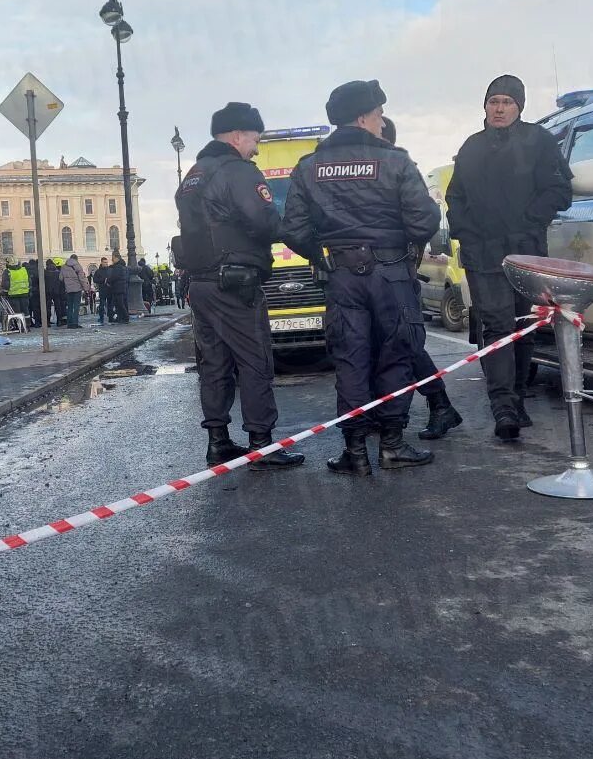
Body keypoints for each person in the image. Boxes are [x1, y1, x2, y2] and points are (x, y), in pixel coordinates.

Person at [283, 80, 438, 476]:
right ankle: (392, 444)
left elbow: (295, 229)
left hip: (341, 276)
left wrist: (323, 255)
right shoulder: (396, 161)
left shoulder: (308, 167)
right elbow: (424, 220)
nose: (382, 120)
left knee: (350, 360)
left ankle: (354, 450)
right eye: (379, 114)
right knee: (396, 356)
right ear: (363, 116)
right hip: (390, 274)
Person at [175, 101, 304, 470]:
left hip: (200, 284)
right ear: (236, 135)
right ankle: (261, 444)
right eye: (254, 138)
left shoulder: (194, 175)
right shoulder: (238, 171)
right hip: (235, 282)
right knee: (254, 360)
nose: (257, 146)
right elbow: (263, 220)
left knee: (214, 364)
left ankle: (218, 442)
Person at [446, 75, 573, 441]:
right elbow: (455, 198)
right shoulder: (471, 147)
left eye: (506, 102)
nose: (499, 108)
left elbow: (558, 190)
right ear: (484, 106)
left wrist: (529, 222)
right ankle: (502, 406)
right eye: (493, 101)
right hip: (483, 254)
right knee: (498, 327)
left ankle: (517, 398)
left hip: (527, 253)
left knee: (524, 327)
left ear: (519, 106)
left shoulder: (538, 141)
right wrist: (468, 231)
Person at [380, 117, 463, 441]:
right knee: (393, 345)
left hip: (397, 269)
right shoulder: (383, 169)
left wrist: (409, 249)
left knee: (407, 344)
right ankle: (433, 406)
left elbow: (422, 217)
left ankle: (439, 404)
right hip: (388, 270)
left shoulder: (397, 167)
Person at [61, 253, 87, 329]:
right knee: (76, 306)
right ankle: (75, 323)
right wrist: (85, 288)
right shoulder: (78, 266)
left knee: (69, 306)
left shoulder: (63, 267)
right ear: (76, 259)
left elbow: (60, 278)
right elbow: (82, 279)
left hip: (68, 289)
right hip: (77, 289)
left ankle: (69, 323)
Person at [3, 257, 30, 321]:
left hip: (13, 295)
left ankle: (18, 326)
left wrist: (5, 293)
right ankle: (27, 325)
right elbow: (29, 281)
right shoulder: (24, 270)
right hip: (24, 294)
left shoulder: (7, 271)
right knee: (25, 311)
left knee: (17, 312)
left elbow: (6, 284)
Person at [108, 254, 130, 323]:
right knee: (118, 304)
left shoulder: (118, 267)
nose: (112, 260)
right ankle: (120, 318)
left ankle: (126, 318)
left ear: (117, 259)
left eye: (113, 258)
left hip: (118, 288)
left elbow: (115, 277)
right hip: (119, 288)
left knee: (120, 304)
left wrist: (108, 280)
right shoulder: (121, 266)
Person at [93, 256, 111, 325]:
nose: (106, 264)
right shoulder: (98, 271)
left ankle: (110, 317)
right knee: (102, 305)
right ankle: (101, 318)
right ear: (101, 262)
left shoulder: (110, 270)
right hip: (102, 289)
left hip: (109, 289)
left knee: (110, 305)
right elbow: (95, 280)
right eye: (104, 262)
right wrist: (103, 280)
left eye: (107, 262)